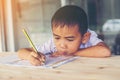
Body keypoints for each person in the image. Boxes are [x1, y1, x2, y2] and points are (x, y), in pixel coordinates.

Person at [18, 5, 111, 66]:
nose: (61, 45)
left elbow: (104, 51)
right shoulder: (52, 44)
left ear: (84, 37)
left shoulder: (90, 37)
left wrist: (72, 53)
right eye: (57, 37)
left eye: (70, 39)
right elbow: (21, 52)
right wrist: (30, 56)